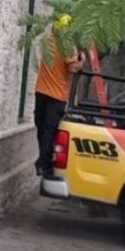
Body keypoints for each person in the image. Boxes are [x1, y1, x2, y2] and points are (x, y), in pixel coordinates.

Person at [34, 14, 86, 177]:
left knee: (41, 128)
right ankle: (45, 163)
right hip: (57, 95)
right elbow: (72, 68)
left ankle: (42, 161)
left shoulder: (48, 39)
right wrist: (82, 61)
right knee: (49, 130)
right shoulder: (68, 45)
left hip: (41, 91)